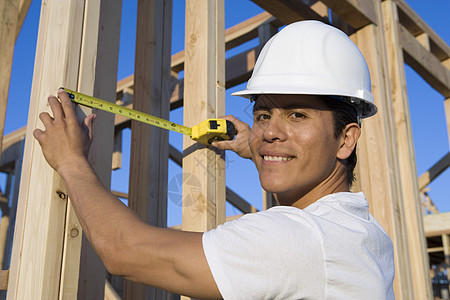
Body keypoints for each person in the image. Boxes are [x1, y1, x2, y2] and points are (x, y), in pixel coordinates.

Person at [34, 20, 394, 299]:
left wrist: (71, 161)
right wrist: (253, 145)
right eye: (264, 115)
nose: (270, 131)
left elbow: (125, 251)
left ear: (346, 139)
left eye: (298, 115)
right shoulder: (364, 234)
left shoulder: (300, 239)